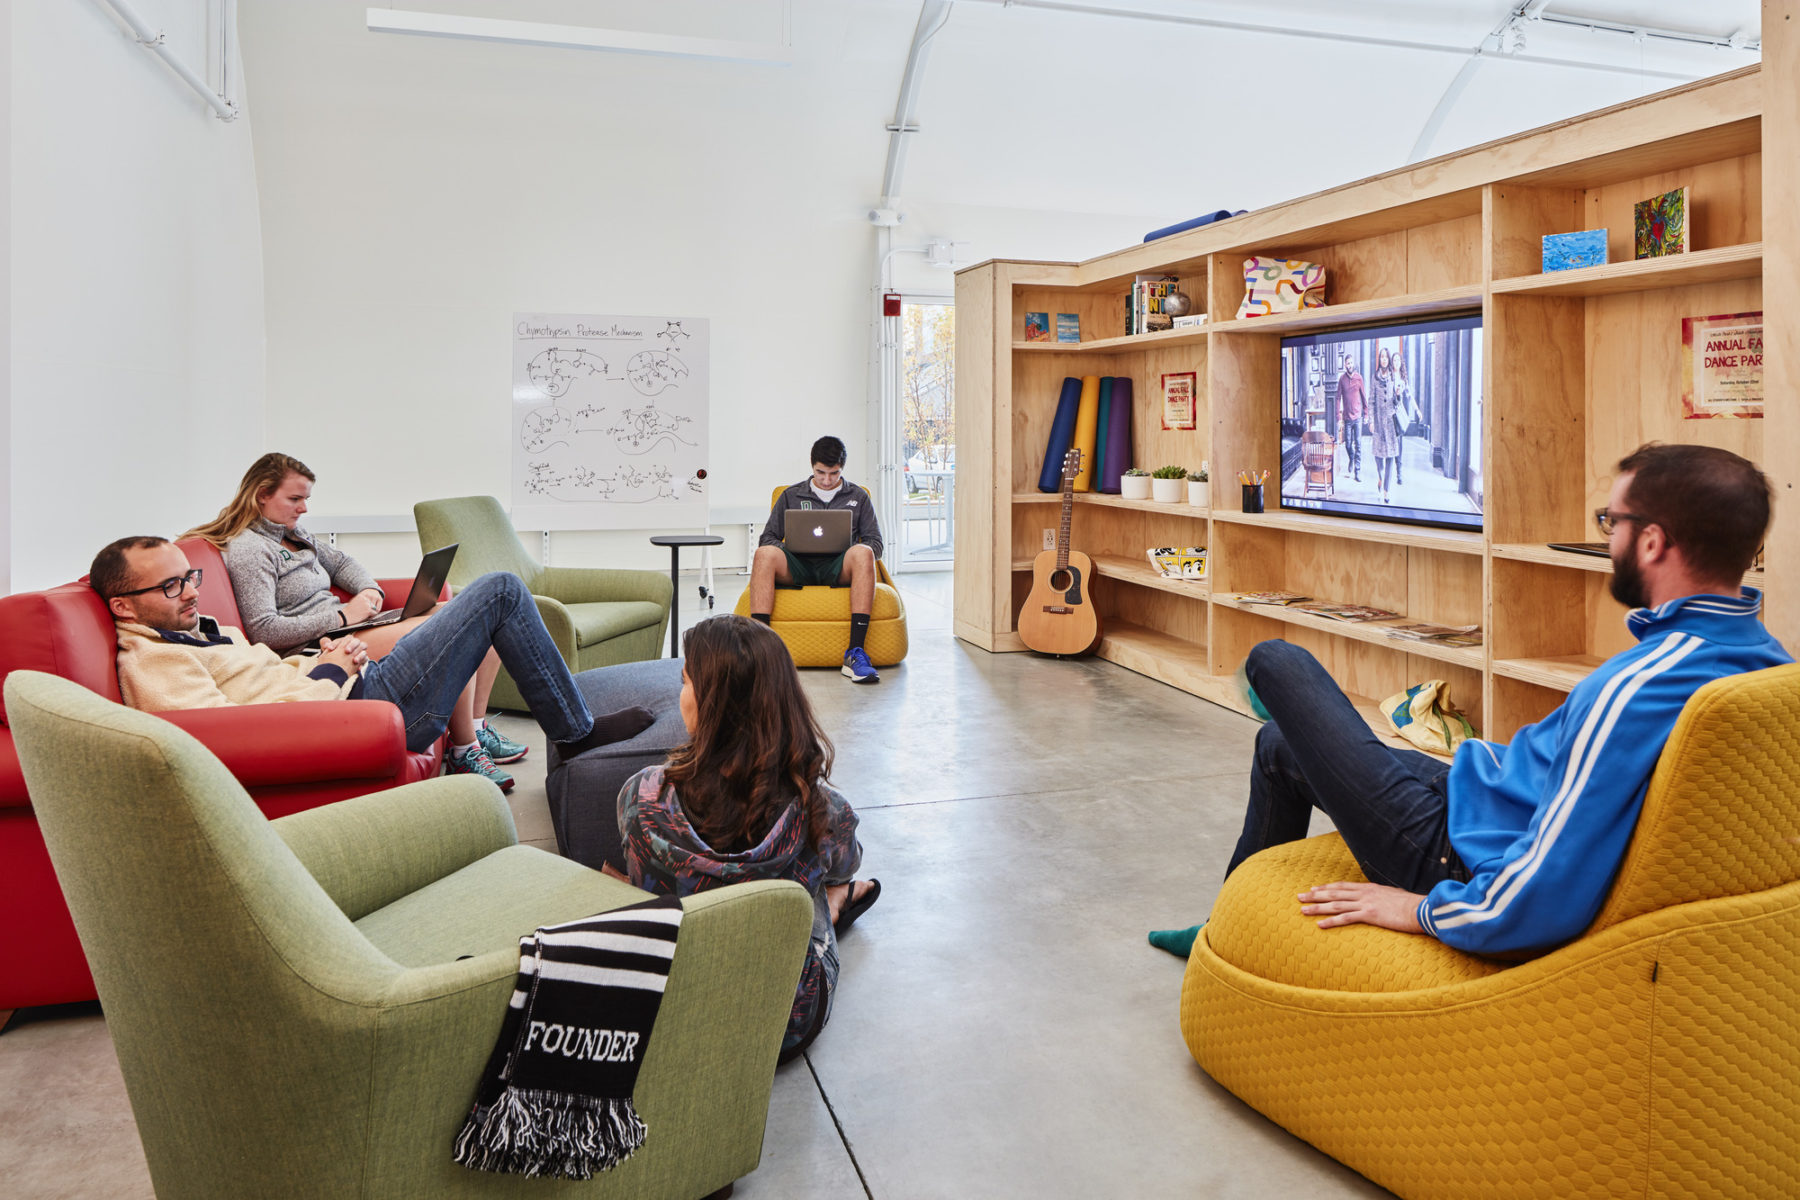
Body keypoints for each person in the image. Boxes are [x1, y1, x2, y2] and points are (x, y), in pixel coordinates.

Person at [1151, 443, 1789, 960]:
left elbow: (1547, 881)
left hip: (1445, 851)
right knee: (1279, 744)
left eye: (1611, 522)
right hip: (1479, 791)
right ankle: (1221, 928)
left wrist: (1420, 909)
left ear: (1651, 543)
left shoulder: (1630, 689)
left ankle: (1220, 921)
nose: (1607, 539)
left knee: (1275, 660)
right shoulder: (1769, 664)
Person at [89, 536, 655, 766]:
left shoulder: (194, 629)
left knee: (482, 596)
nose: (190, 591)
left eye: (188, 577)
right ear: (123, 606)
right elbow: (217, 741)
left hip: (348, 687)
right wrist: (329, 673)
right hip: (359, 712)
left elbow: (262, 678)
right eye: (171, 586)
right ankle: (575, 734)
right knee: (502, 590)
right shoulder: (154, 661)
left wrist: (322, 659)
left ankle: (533, 731)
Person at [618, 615, 879, 1062]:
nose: (680, 695)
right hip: (782, 1025)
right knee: (813, 885)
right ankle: (833, 906)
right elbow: (847, 863)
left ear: (710, 705)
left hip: (670, 1011)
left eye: (686, 683)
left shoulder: (640, 795)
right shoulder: (821, 810)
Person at [185, 453, 522, 789]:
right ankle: (463, 752)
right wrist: (344, 615)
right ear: (262, 495)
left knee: (480, 621)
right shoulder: (251, 549)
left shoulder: (295, 534)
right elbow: (265, 630)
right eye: (295, 498)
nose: (304, 508)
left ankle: (476, 728)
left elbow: (342, 563)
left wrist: (369, 590)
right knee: (455, 632)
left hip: (348, 626)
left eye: (306, 499)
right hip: (315, 647)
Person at [749, 435, 885, 684]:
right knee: (764, 554)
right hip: (797, 565)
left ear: (842, 468)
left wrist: (853, 548)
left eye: (833, 474)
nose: (826, 480)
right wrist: (790, 547)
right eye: (820, 473)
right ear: (812, 467)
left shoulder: (859, 497)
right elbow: (766, 538)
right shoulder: (791, 495)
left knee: (864, 553)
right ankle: (760, 654)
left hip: (838, 567)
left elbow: (876, 544)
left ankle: (855, 654)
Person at [1367, 347, 1402, 501]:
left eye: (1386, 357)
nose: (1384, 359)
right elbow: (1371, 401)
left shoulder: (1394, 377)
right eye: (1382, 357)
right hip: (1378, 422)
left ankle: (1386, 490)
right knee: (1378, 455)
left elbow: (1397, 402)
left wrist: (1398, 396)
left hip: (1391, 422)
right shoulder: (1374, 378)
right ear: (1379, 359)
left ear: (1388, 360)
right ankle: (1380, 477)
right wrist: (1371, 421)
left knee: (1390, 456)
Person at [1335, 352, 1365, 482]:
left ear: (1354, 364)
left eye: (1351, 363)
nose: (1349, 365)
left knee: (1358, 444)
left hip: (1358, 417)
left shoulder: (1359, 378)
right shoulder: (1342, 379)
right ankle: (1351, 458)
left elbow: (1364, 396)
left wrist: (1366, 413)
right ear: (1345, 365)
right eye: (1347, 363)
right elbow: (1337, 398)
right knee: (1347, 444)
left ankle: (1357, 471)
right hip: (1346, 418)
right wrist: (1338, 417)